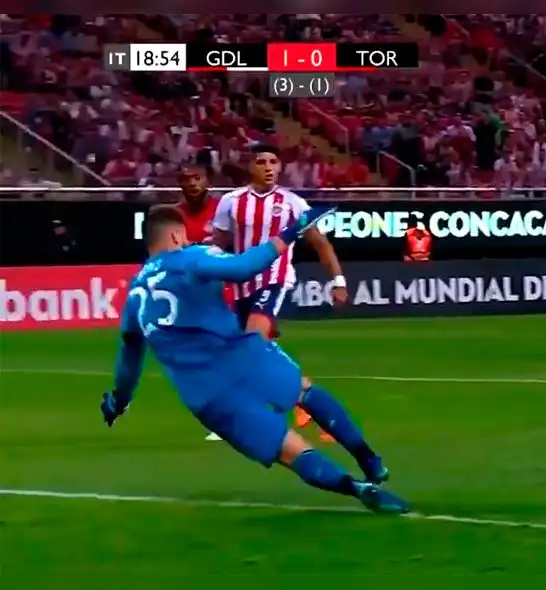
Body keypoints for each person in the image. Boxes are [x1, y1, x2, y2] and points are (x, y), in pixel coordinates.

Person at [100, 205, 408, 514]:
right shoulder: (191, 257)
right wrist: (293, 231)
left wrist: (119, 400)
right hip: (243, 358)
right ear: (176, 235)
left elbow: (129, 359)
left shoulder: (134, 297)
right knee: (303, 391)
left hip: (206, 395)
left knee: (288, 449)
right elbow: (244, 267)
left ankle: (356, 488)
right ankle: (369, 460)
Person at [213, 145, 348, 441]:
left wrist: (338, 281)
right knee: (250, 348)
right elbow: (220, 243)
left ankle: (252, 415)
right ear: (251, 167)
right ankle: (305, 398)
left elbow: (321, 244)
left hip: (275, 280)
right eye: (261, 162)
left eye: (273, 162)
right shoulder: (230, 202)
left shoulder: (293, 203)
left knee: (253, 340)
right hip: (241, 284)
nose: (268, 167)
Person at [176, 164, 233, 442]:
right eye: (186, 180)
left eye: (196, 178)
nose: (192, 184)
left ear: (206, 181)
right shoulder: (174, 216)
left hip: (227, 294)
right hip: (194, 299)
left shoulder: (224, 209)